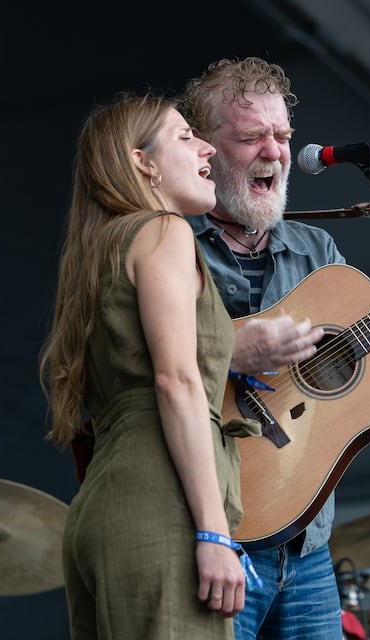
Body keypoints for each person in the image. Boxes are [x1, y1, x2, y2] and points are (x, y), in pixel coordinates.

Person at [179, 57, 370, 640]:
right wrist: (227, 353)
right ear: (203, 149)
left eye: (283, 136)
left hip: (308, 544)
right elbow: (126, 371)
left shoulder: (318, 250)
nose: (275, 151)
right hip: (207, 535)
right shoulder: (166, 244)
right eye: (251, 136)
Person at [39, 92, 255, 639]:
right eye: (185, 136)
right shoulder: (163, 231)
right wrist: (213, 532)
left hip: (106, 508)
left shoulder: (104, 248)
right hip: (160, 507)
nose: (206, 146)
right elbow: (177, 380)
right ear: (143, 162)